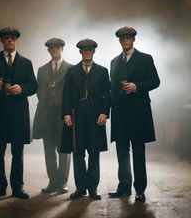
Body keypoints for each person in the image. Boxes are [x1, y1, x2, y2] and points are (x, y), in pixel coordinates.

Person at [0, 26, 37, 200]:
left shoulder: (26, 62)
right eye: (6, 38)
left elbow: (34, 86)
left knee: (18, 153)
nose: (10, 40)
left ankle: (18, 188)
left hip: (18, 113)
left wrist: (21, 88)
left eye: (13, 38)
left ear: (17, 40)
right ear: (2, 41)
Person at [108, 26, 160, 202]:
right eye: (122, 38)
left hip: (138, 114)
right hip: (120, 114)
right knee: (122, 153)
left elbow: (155, 81)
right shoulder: (114, 61)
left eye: (128, 38)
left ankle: (140, 189)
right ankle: (124, 187)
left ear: (133, 40)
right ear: (119, 41)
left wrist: (137, 86)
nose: (125, 41)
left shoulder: (145, 58)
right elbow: (112, 89)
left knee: (138, 153)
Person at [61, 39, 110, 200]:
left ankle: (93, 188)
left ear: (94, 52)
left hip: (95, 116)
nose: (87, 52)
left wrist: (104, 113)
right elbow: (66, 94)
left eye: (90, 50)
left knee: (94, 152)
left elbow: (107, 95)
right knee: (78, 152)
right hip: (76, 115)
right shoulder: (71, 71)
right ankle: (80, 187)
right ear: (80, 52)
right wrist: (66, 114)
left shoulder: (102, 71)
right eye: (84, 50)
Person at [33, 38, 71, 194]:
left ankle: (62, 182)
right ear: (48, 51)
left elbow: (73, 92)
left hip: (63, 115)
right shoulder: (42, 70)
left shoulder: (71, 68)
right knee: (49, 149)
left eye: (57, 47)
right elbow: (39, 91)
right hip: (47, 114)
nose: (54, 50)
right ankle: (53, 181)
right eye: (51, 48)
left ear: (62, 49)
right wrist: (47, 103)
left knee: (64, 150)